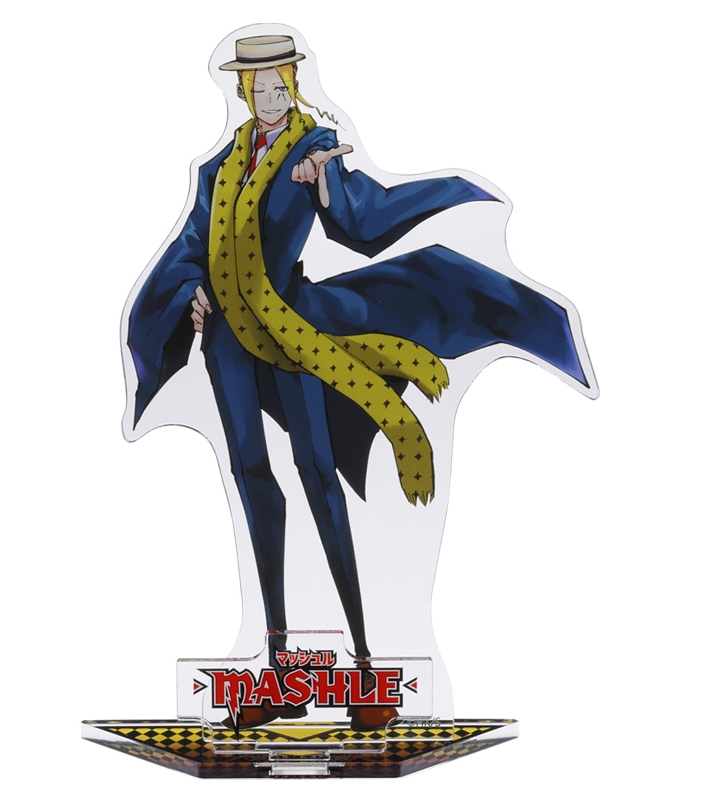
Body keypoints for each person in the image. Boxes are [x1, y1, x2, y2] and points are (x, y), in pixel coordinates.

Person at [126, 34, 588, 728]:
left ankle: (366, 669)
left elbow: (358, 223)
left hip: (294, 333)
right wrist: (188, 289)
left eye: (280, 82)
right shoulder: (217, 169)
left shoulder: (315, 147)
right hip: (226, 343)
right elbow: (191, 244)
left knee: (317, 474)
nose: (271, 94)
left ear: (293, 82)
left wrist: (328, 183)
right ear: (242, 90)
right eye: (259, 84)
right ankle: (280, 668)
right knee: (252, 479)